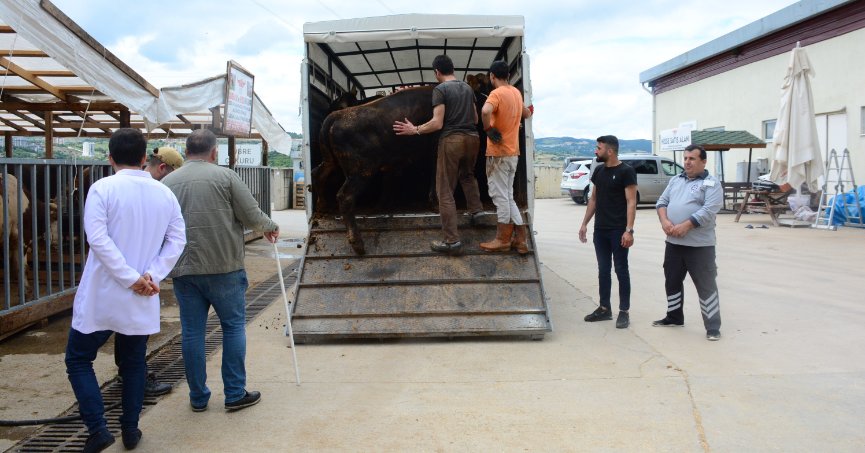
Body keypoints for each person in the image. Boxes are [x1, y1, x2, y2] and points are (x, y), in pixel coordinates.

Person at [64, 128, 186, 452]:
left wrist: (129, 277)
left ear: (110, 157)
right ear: (146, 158)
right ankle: (130, 431)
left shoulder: (102, 189)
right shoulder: (165, 194)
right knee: (133, 365)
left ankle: (98, 429)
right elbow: (177, 240)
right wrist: (151, 275)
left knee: (78, 360)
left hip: (103, 294)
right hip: (143, 293)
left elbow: (98, 240)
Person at [163, 129, 279, 413]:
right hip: (224, 266)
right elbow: (251, 215)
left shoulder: (167, 182)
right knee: (233, 327)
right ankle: (235, 394)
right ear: (214, 152)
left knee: (192, 333)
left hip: (184, 268)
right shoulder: (226, 177)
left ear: (186, 150)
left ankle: (198, 397)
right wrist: (270, 227)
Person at [393, 54, 484, 255]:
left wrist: (414, 129)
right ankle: (477, 213)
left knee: (444, 191)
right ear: (453, 69)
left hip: (452, 140)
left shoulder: (440, 89)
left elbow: (437, 123)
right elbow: (476, 118)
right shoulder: (468, 88)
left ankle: (451, 241)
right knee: (468, 175)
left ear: (437, 72)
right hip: (473, 138)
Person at [115, 146, 185, 397]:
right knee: (135, 330)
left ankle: (128, 373)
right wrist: (148, 275)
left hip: (119, 271)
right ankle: (136, 378)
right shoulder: (157, 192)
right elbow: (175, 238)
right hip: (140, 274)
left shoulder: (117, 188)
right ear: (162, 168)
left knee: (124, 328)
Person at [653, 144, 724, 341]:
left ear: (703, 161)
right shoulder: (676, 180)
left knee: (706, 285)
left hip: (700, 246)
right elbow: (661, 202)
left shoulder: (711, 183)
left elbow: (709, 211)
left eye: (692, 159)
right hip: (674, 243)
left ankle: (712, 327)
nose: (687, 162)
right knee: (672, 281)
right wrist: (665, 221)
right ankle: (674, 316)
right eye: (685, 158)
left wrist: (686, 225)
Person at [579, 135, 637, 329]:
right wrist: (585, 223)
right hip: (600, 230)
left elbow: (631, 202)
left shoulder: (626, 172)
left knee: (621, 269)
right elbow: (593, 199)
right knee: (603, 270)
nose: (596, 151)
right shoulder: (598, 171)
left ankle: (624, 311)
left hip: (618, 230)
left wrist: (629, 230)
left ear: (609, 151)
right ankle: (605, 309)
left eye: (599, 148)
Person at [478, 60, 533, 254]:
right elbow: (527, 113)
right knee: (508, 196)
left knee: (499, 196)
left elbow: (485, 111)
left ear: (492, 76)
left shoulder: (496, 93)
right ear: (508, 75)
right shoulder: (516, 93)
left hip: (498, 154)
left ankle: (502, 239)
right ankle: (521, 240)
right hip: (513, 153)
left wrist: (488, 129)